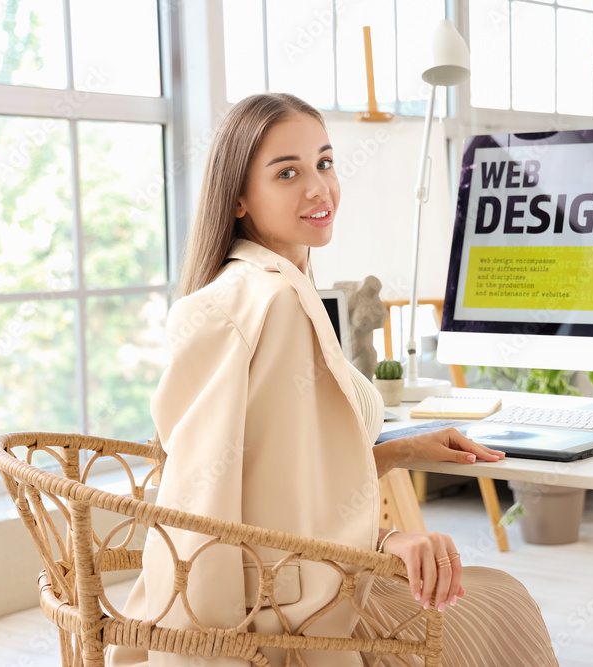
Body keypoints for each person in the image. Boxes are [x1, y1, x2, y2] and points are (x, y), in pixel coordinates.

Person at [107, 93, 558, 667]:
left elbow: (269, 483)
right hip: (294, 614)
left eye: (324, 162)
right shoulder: (277, 303)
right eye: (287, 172)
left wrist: (397, 450)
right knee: (500, 596)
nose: (318, 188)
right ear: (240, 197)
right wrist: (388, 541)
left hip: (271, 587)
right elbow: (257, 518)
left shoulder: (242, 286)